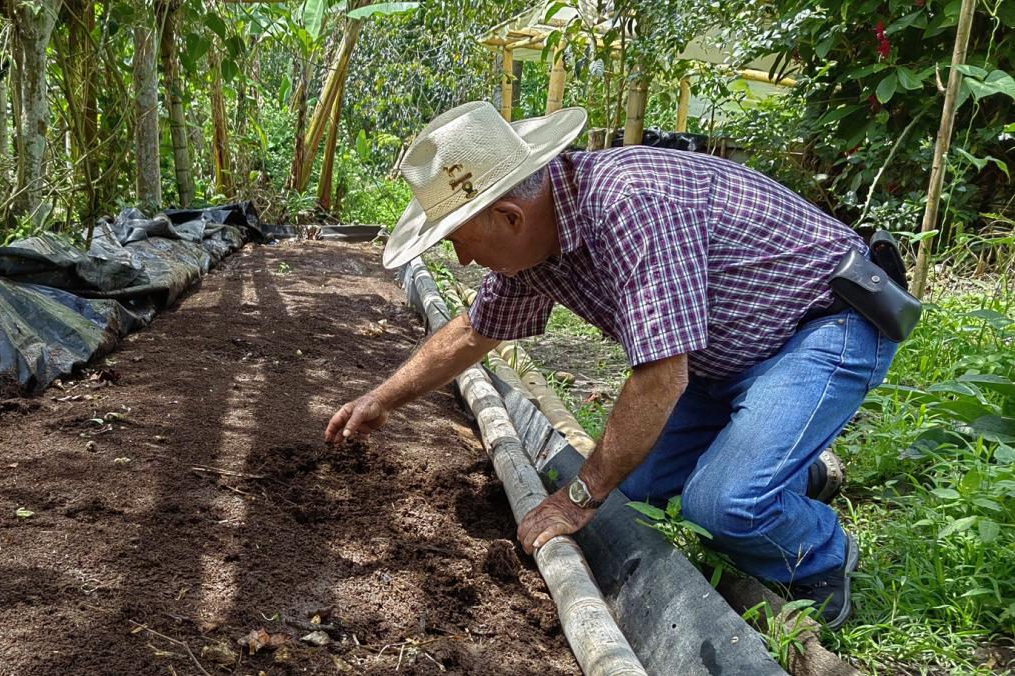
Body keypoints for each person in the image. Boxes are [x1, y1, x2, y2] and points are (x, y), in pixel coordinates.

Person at [323, 101, 899, 628]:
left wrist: (578, 496)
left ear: (509, 217)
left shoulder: (630, 204)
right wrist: (381, 399)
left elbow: (660, 375)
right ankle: (799, 471)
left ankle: (824, 555)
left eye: (459, 237)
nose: (463, 257)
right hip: (724, 353)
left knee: (720, 508)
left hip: (822, 325)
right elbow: (476, 329)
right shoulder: (540, 246)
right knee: (638, 486)